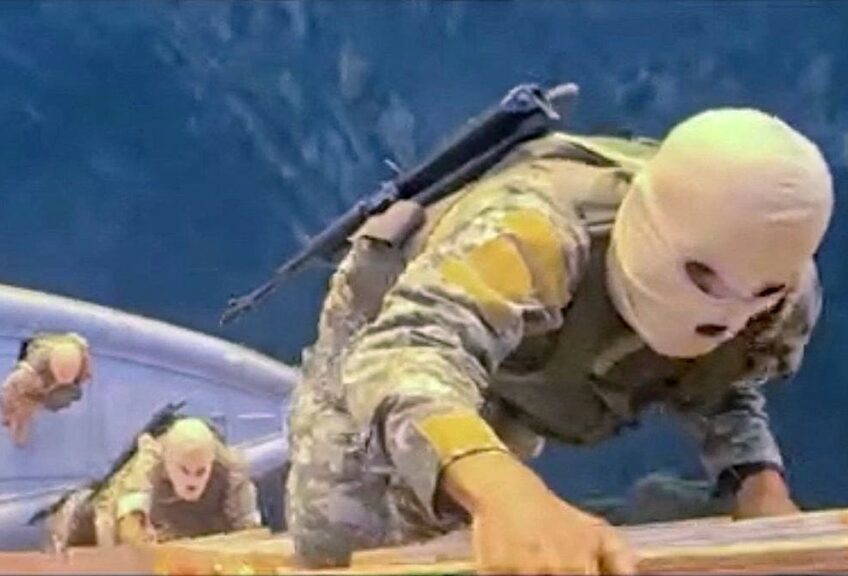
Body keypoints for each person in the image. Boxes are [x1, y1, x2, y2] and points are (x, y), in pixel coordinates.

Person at [285, 108, 833, 574]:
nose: (725, 313)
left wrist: (757, 484)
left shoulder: (780, 295)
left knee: (500, 532)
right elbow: (405, 355)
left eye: (760, 293)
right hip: (401, 326)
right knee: (350, 539)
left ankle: (641, 507)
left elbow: (723, 380)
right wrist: (502, 490)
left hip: (543, 364)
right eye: (702, 278)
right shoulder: (531, 234)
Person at [32, 408, 260, 550]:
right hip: (87, 529)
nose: (192, 481)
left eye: (200, 472)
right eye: (184, 470)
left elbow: (250, 534)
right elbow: (126, 521)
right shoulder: (149, 461)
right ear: (167, 461)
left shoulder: (232, 472)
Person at [0, 332, 92, 446]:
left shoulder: (78, 359)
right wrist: (8, 414)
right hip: (38, 371)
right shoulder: (30, 374)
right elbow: (9, 388)